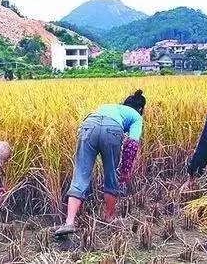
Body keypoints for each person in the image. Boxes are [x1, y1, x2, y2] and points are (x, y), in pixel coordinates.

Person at [54, 90, 146, 237]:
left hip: (88, 126)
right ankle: (109, 216)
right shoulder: (136, 117)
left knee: (80, 175)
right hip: (113, 130)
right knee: (111, 174)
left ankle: (69, 222)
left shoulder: (109, 107)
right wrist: (125, 170)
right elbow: (132, 144)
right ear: (140, 109)